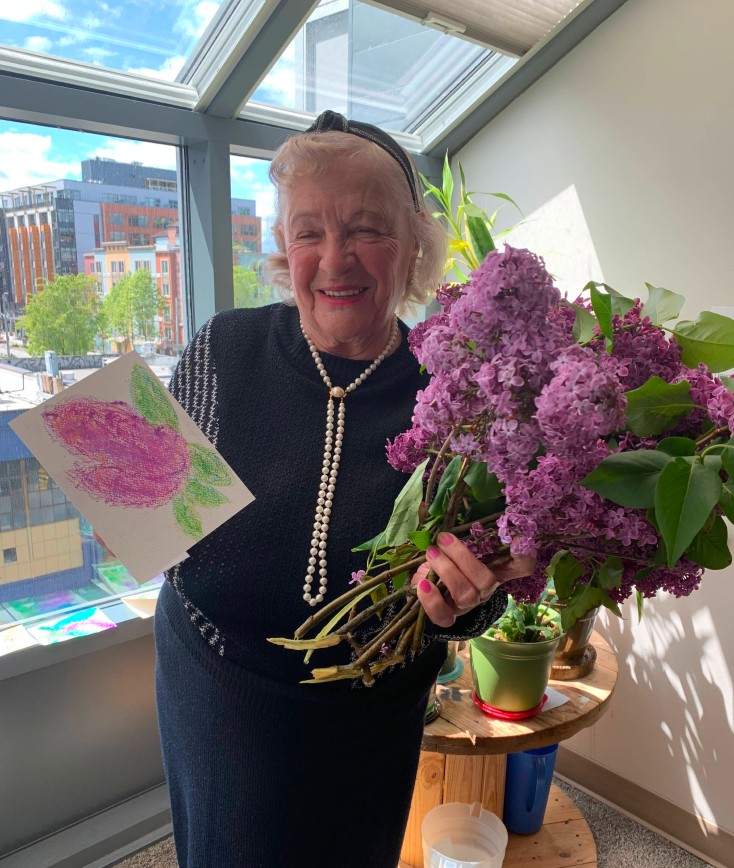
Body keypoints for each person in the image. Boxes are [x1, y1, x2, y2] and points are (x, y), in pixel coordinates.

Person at [154, 109, 534, 867]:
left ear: (416, 246)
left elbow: (480, 586)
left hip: (373, 704)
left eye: (366, 228)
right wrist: (128, 517)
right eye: (308, 232)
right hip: (221, 680)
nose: (335, 259)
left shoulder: (457, 389)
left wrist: (470, 598)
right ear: (282, 248)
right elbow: (160, 516)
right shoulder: (226, 349)